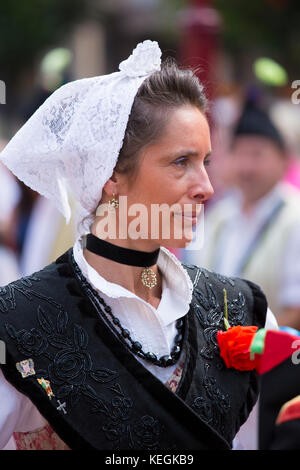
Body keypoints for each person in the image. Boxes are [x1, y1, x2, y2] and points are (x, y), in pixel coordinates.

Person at [0, 40, 271, 450]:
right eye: (181, 162)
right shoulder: (20, 321)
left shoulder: (236, 306)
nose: (206, 188)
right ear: (111, 176)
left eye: (206, 162)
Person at [188, 100, 300, 329]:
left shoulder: (294, 218)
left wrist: (250, 342)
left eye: (257, 155)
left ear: (283, 160)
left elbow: (296, 309)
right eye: (240, 153)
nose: (247, 167)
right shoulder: (220, 215)